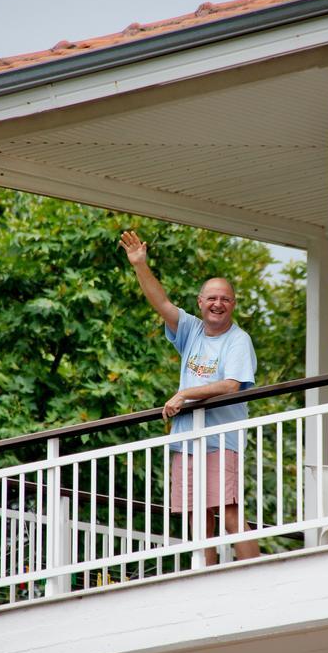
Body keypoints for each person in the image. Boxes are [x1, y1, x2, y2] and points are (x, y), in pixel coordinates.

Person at [119, 230, 260, 564]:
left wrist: (185, 394)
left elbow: (231, 385)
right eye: (211, 298)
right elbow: (162, 302)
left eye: (225, 299)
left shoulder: (238, 340)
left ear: (233, 305)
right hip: (186, 440)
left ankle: (258, 572)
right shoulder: (192, 330)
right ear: (200, 302)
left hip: (221, 439)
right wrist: (139, 264)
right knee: (197, 518)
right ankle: (206, 578)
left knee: (227, 511)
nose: (218, 304)